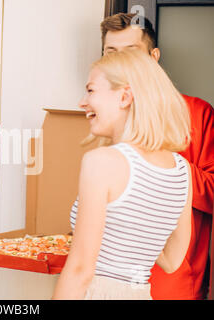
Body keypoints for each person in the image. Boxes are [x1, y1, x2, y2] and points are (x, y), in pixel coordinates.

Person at [52, 49, 193, 300]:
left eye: (91, 90)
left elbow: (81, 270)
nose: (82, 102)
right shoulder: (182, 170)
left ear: (125, 97)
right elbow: (172, 260)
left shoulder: (102, 162)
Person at [100, 13, 213, 300]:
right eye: (111, 54)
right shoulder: (99, 119)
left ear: (153, 57)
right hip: (110, 281)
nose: (121, 65)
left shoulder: (197, 114)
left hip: (174, 283)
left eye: (131, 54)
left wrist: (165, 165)